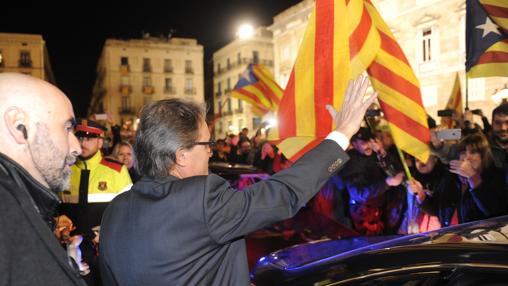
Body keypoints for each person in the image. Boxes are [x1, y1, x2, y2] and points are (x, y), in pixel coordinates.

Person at [99, 76, 377, 286]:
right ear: (181, 155)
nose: (211, 150)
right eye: (206, 143)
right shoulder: (202, 199)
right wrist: (342, 133)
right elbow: (282, 193)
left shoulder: (115, 210)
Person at [0, 73, 86, 285]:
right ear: (20, 127)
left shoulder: (16, 205)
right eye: (67, 128)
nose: (77, 147)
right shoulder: (7, 216)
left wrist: (64, 266)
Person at [59, 119, 132, 285]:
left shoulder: (116, 170)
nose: (83, 142)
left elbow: (128, 212)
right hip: (71, 250)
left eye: (89, 138)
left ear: (100, 142)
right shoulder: (65, 170)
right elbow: (58, 209)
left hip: (104, 250)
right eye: (80, 138)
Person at [409, 133, 507, 227]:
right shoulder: (450, 177)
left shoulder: (496, 177)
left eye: (473, 152)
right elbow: (437, 209)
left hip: (478, 242)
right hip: (450, 239)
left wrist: (473, 177)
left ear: (483, 156)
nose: (466, 157)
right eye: (463, 152)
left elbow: (495, 212)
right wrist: (421, 195)